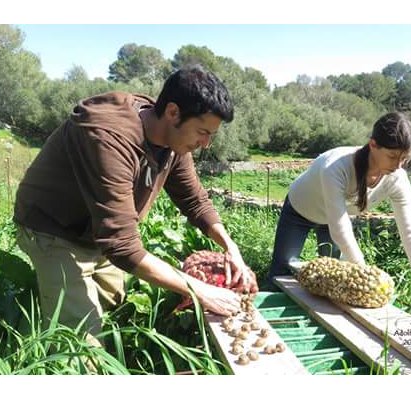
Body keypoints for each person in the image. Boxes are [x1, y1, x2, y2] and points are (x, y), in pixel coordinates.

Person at [14, 65, 258, 345]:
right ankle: (39, 333)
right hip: (53, 227)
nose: (206, 144)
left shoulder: (173, 140)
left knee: (112, 297)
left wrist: (231, 247)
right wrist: (199, 291)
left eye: (211, 135)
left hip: (96, 230)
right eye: (203, 132)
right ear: (173, 112)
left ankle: (46, 308)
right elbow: (121, 245)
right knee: (83, 339)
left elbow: (195, 201)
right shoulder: (108, 137)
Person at [267, 111, 411, 306]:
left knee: (332, 281)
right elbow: (341, 228)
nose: (398, 165)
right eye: (392, 156)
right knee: (282, 270)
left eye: (404, 159)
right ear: (373, 145)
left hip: (332, 220)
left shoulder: (397, 178)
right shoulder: (336, 167)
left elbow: (410, 229)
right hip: (300, 210)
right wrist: (365, 274)